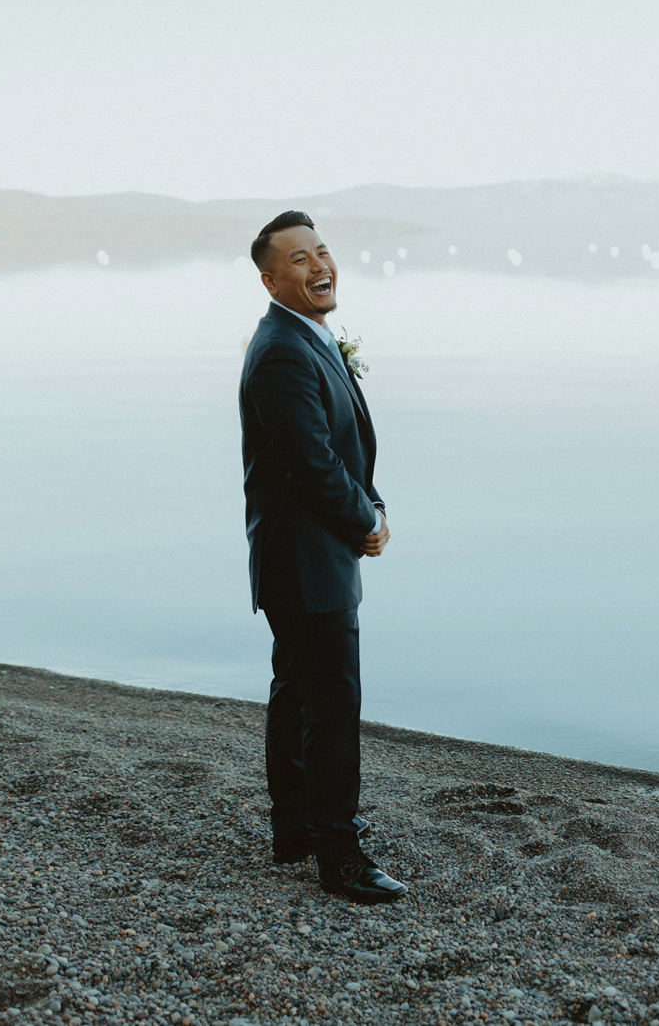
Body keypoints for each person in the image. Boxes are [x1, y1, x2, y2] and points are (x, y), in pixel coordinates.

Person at [239, 210, 407, 904]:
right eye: (299, 259)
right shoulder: (281, 350)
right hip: (306, 558)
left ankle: (297, 828)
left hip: (303, 554)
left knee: (297, 691)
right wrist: (365, 519)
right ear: (269, 279)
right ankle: (340, 857)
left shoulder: (308, 336)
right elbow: (310, 462)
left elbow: (344, 445)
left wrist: (375, 502)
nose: (319, 266)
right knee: (332, 705)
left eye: (322, 251)